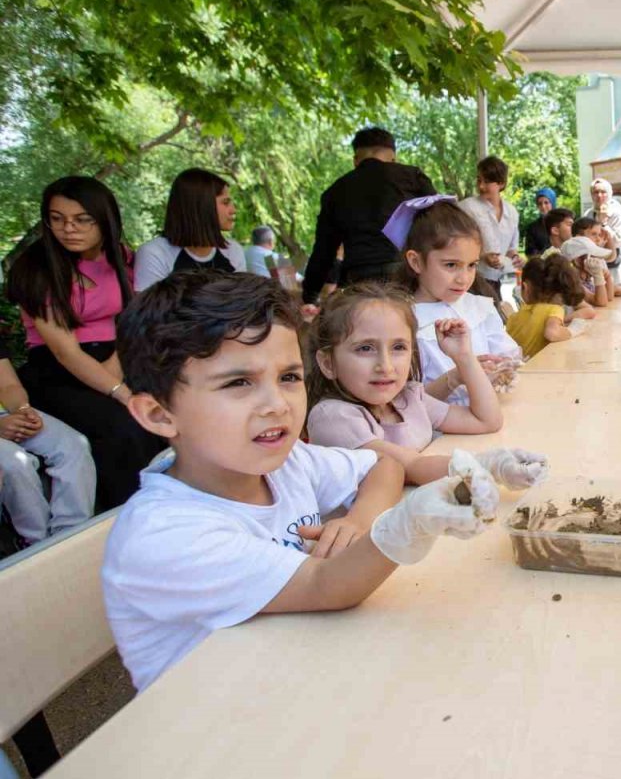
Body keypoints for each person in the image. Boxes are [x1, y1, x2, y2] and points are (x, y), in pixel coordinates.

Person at [103, 271, 503, 692]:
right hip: (213, 727)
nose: (277, 405)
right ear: (158, 415)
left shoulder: (287, 463)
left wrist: (359, 520)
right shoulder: (164, 535)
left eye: (289, 378)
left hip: (295, 677)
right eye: (239, 383)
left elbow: (381, 467)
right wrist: (412, 521)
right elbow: (325, 585)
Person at [7, 176, 167, 511]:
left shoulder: (122, 258)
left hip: (117, 357)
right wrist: (120, 391)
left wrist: (117, 368)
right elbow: (66, 353)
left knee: (169, 409)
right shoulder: (35, 269)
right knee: (123, 424)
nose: (69, 228)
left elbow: (134, 319)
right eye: (57, 218)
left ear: (104, 220)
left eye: (82, 219)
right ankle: (126, 520)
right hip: (58, 372)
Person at [306, 283, 548, 488]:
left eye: (398, 347)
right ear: (328, 363)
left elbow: (487, 420)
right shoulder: (333, 417)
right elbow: (411, 466)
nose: (386, 366)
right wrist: (490, 466)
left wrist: (464, 357)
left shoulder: (408, 398)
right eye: (365, 348)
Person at [381, 195, 522, 403]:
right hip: (442, 431)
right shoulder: (402, 322)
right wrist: (456, 378)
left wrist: (502, 368)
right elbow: (404, 404)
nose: (464, 278)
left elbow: (508, 356)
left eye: (471, 265)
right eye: (450, 265)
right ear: (416, 261)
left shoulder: (478, 308)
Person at [303, 127, 435, 304]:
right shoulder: (412, 177)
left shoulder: (335, 191)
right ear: (393, 159)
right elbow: (440, 223)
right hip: (406, 274)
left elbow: (324, 251)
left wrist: (309, 295)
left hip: (358, 280)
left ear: (356, 160)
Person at [0, 336, 95, 545]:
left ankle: (71, 536)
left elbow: (7, 384)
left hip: (6, 411)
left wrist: (23, 409)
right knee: (15, 464)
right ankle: (37, 544)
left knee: (73, 445)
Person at [134, 168, 246, 291]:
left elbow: (244, 304)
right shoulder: (155, 254)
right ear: (201, 205)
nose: (233, 210)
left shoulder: (233, 251)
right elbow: (149, 308)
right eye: (225, 202)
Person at [459, 156, 525, 308]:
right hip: (472, 280)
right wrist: (482, 256)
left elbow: (511, 250)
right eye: (478, 180)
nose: (481, 186)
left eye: (487, 181)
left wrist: (515, 258)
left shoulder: (512, 212)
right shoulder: (467, 208)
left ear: (501, 183)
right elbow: (456, 244)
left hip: (498, 280)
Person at [506, 254, 589, 358]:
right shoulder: (554, 310)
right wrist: (574, 330)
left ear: (524, 287)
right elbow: (551, 333)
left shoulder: (514, 318)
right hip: (540, 369)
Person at [584, 178, 621, 284]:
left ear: (609, 193)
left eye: (603, 192)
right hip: (595, 261)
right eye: (596, 192)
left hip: (616, 263)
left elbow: (619, 241)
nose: (599, 195)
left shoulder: (616, 213)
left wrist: (604, 223)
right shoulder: (589, 214)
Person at [561, 232, 613, 307]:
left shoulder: (587, 279)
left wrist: (607, 276)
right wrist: (598, 276)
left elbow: (609, 297)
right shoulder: (571, 282)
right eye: (593, 257)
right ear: (578, 260)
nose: (598, 261)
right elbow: (601, 302)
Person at [523, 187, 557, 258]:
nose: (543, 206)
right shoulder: (532, 227)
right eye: (540, 204)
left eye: (546, 203)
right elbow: (530, 251)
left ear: (552, 203)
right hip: (540, 265)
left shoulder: (561, 224)